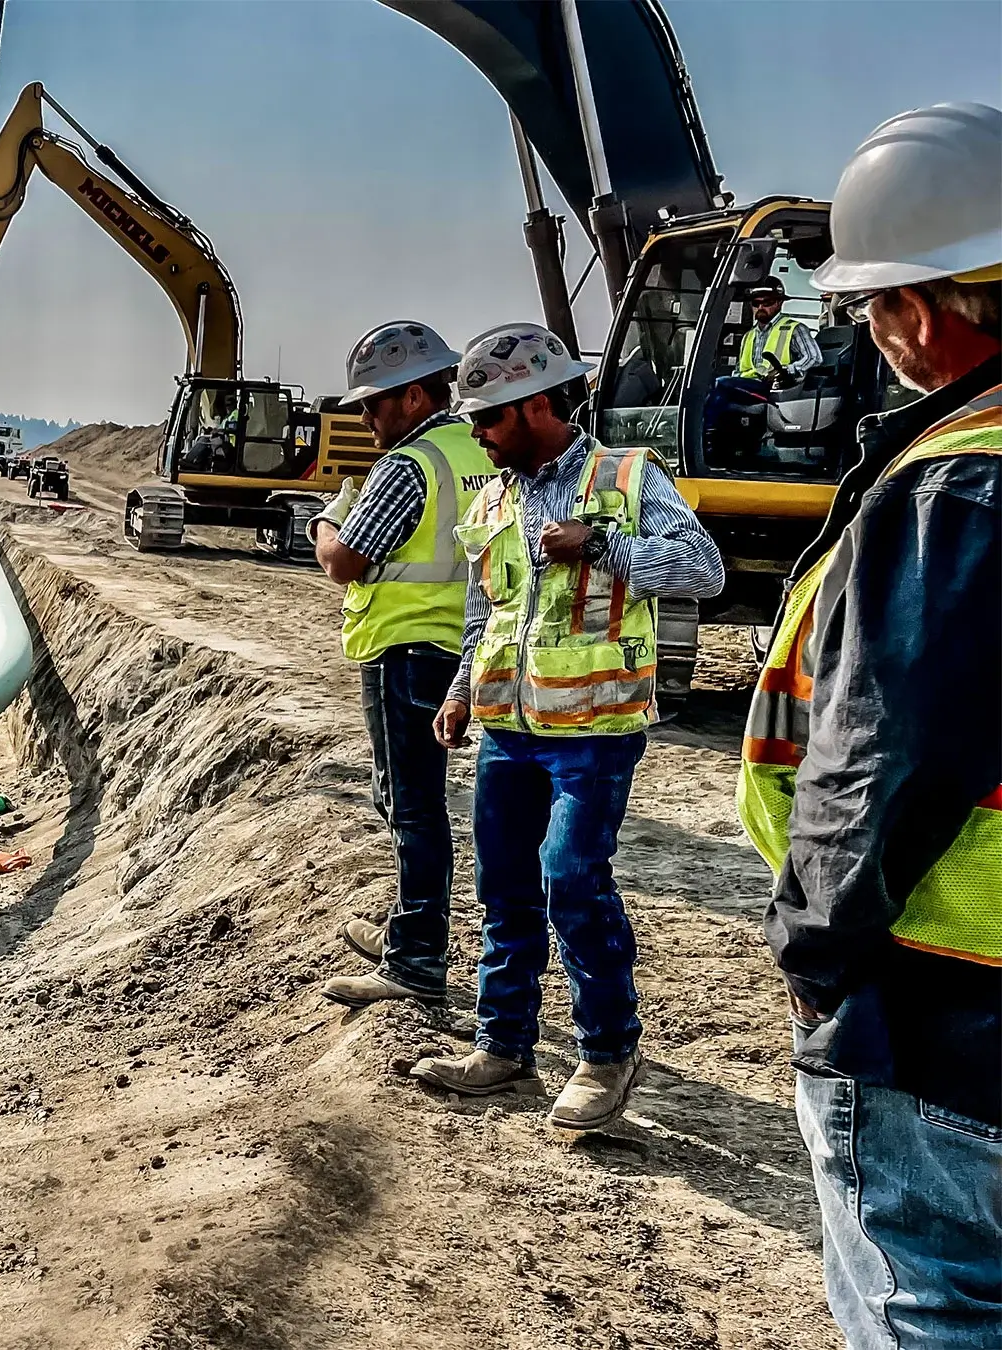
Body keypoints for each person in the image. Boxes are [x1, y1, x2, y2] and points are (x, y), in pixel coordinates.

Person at [740, 101, 1002, 1348]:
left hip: (940, 1024)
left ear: (921, 309)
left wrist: (816, 960)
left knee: (931, 1312)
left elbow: (879, 763)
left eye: (867, 306)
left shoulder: (959, 482)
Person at [410, 322, 724, 1131]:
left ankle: (607, 1053)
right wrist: (459, 690)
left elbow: (704, 569)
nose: (478, 435)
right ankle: (502, 1045)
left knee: (571, 878)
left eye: (488, 418)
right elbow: (487, 613)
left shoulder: (625, 477)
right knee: (505, 886)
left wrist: (603, 545)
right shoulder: (494, 498)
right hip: (508, 733)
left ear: (538, 405)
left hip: (594, 730)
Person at [306, 321, 490, 1007]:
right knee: (420, 803)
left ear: (414, 395)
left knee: (410, 806)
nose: (366, 419)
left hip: (406, 649)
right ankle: (410, 931)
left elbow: (344, 563)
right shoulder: (476, 450)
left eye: (373, 403)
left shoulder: (408, 466)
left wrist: (327, 521)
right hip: (460, 648)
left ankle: (415, 958)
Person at [703, 279, 825, 436]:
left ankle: (707, 436)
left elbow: (814, 358)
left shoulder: (794, 329)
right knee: (708, 386)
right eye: (756, 303)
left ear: (779, 303)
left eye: (767, 302)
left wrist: (786, 370)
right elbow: (739, 369)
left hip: (773, 389)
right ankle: (714, 436)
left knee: (720, 384)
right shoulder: (748, 336)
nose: (760, 307)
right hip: (747, 387)